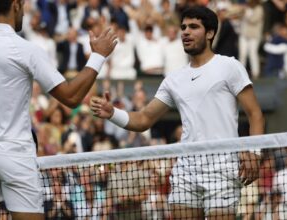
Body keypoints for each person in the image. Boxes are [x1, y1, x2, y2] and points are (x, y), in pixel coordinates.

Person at [0, 0, 117, 219]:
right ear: (15, 5)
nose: (23, 10)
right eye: (22, 5)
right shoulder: (27, 50)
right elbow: (71, 97)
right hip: (15, 155)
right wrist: (98, 57)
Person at [90, 6, 265, 220]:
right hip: (186, 171)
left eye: (193, 27)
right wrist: (112, 113)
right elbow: (144, 119)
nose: (185, 32)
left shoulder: (230, 66)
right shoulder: (173, 80)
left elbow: (255, 114)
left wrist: (254, 153)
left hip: (223, 170)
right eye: (183, 27)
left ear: (210, 33)